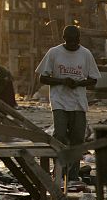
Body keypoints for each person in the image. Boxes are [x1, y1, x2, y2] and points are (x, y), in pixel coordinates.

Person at [36, 25, 101, 184]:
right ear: (64, 39)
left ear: (79, 39)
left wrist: (79, 83)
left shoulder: (85, 54)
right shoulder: (54, 52)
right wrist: (62, 81)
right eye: (70, 41)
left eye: (75, 41)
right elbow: (43, 78)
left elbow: (93, 80)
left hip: (78, 103)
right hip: (59, 101)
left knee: (78, 138)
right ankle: (59, 169)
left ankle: (72, 174)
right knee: (60, 135)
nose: (72, 44)